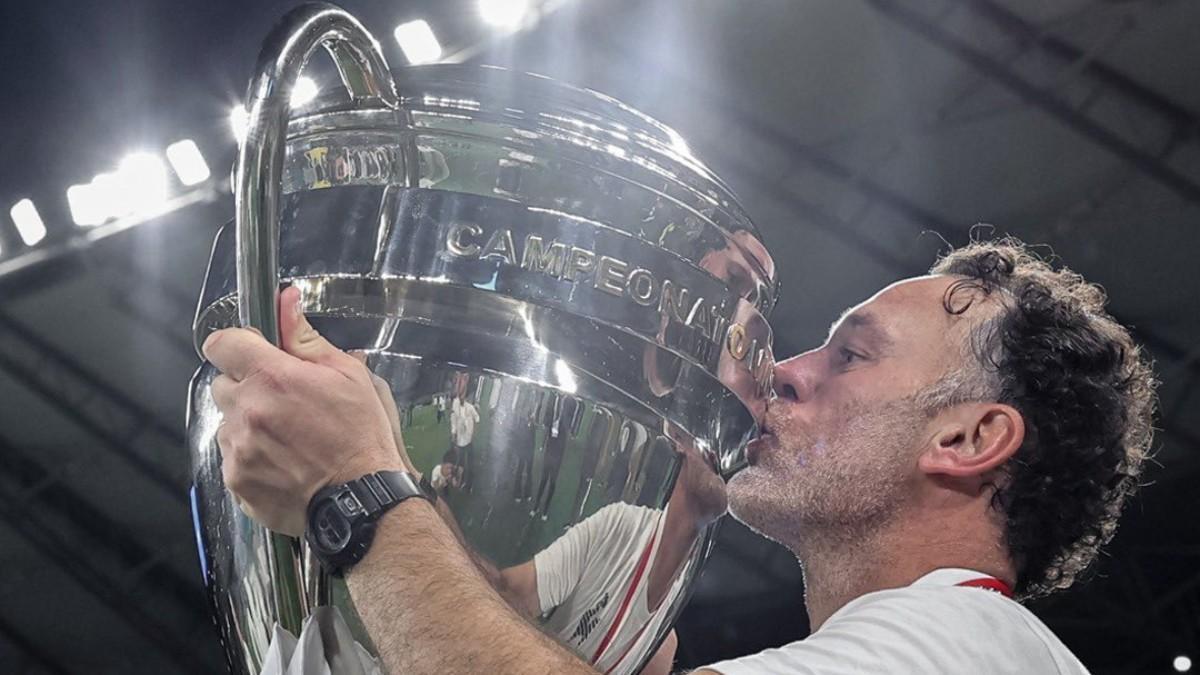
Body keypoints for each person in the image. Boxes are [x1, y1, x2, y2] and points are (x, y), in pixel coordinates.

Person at [205, 237, 1156, 673]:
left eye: (850, 354)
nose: (784, 373)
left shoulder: (955, 647)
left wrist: (360, 493)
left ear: (969, 438)